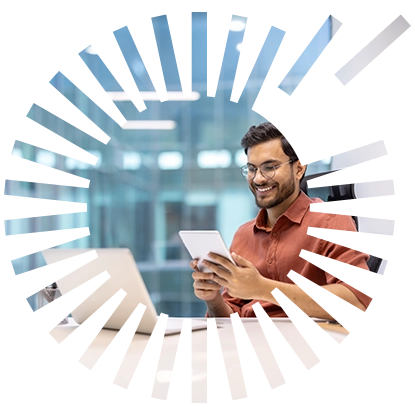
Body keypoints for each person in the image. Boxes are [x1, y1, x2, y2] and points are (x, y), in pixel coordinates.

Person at [190, 122, 373, 320]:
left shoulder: (332, 222)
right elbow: (231, 318)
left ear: (299, 168)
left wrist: (261, 288)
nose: (258, 179)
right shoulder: (243, 234)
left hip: (306, 346)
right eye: (252, 169)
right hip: (249, 346)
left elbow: (356, 304)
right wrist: (214, 299)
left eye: (270, 167)